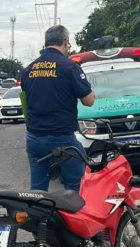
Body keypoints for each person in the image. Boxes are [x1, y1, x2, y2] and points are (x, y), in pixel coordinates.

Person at [20, 25, 96, 192]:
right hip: (62, 139)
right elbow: (89, 101)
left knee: (37, 192)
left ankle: (39, 217)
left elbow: (28, 98)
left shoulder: (28, 69)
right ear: (65, 42)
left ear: (46, 42)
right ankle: (70, 217)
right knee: (75, 187)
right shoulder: (69, 67)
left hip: (34, 138)